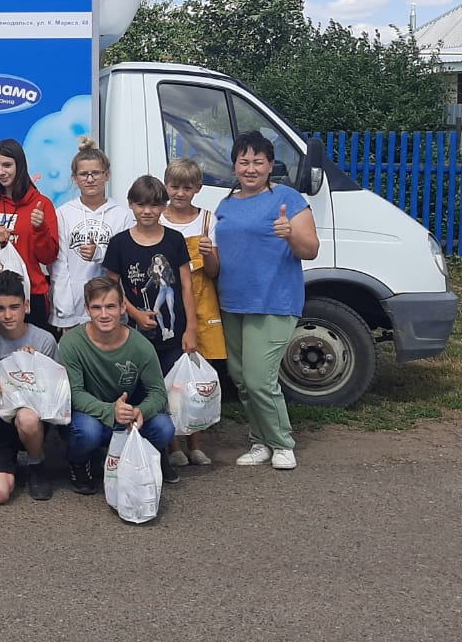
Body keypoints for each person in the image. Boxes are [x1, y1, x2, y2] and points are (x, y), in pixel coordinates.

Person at [215, 131, 320, 471]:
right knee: (242, 378)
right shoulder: (226, 204)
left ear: (271, 165)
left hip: (274, 300)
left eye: (258, 162)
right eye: (244, 161)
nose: (251, 168)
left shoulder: (288, 199)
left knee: (260, 379)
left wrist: (290, 234)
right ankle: (260, 441)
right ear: (234, 166)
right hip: (233, 302)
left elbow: (311, 249)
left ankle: (282, 443)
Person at [60, 276, 178, 494]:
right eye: (96, 307)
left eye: (111, 306)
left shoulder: (141, 346)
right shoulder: (71, 343)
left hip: (128, 415)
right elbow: (74, 393)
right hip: (90, 416)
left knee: (164, 428)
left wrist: (140, 411)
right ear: (87, 309)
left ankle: (140, 459)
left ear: (123, 307)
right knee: (86, 432)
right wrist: (110, 411)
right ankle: (79, 464)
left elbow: (158, 393)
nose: (104, 314)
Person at [161, 157, 224, 467]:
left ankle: (196, 443)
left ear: (198, 188)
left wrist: (209, 255)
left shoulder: (208, 220)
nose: (180, 193)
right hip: (168, 305)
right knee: (171, 378)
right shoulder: (158, 219)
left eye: (187, 188)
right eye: (174, 186)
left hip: (201, 303)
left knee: (195, 379)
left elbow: (214, 271)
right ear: (166, 187)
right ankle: (173, 445)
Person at [104, 175, 198, 381]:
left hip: (175, 337)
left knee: (174, 388)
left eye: (154, 205)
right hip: (134, 335)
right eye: (140, 204)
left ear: (164, 206)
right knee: (140, 387)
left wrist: (191, 329)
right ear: (130, 204)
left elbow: (187, 286)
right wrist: (135, 313)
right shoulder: (119, 243)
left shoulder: (175, 239)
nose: (147, 211)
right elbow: (112, 287)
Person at [0, 269, 58, 503]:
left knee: (27, 417)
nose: (7, 315)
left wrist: (33, 368)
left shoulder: (44, 341)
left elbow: (53, 401)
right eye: (0, 308)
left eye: (14, 307)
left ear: (26, 305)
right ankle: (9, 464)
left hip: (32, 420)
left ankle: (36, 463)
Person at [0, 138, 58, 334]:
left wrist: (40, 229)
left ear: (20, 165)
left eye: (7, 165)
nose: (1, 172)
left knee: (32, 352)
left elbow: (49, 257)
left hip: (30, 294)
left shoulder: (41, 204)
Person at [49, 137, 135, 331]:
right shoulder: (63, 213)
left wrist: (100, 254)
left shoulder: (122, 215)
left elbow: (126, 262)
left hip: (109, 308)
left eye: (96, 173)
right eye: (84, 174)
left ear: (107, 175)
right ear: (74, 178)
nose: (90, 179)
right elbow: (59, 265)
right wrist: (65, 310)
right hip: (73, 308)